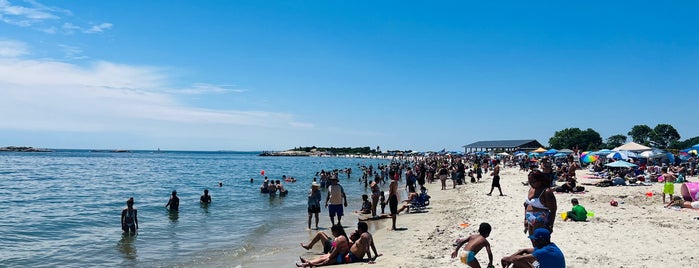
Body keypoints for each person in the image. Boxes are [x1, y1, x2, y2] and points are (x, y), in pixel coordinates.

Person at [501, 228, 565, 268]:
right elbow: (525, 250)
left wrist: (508, 259)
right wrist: (510, 258)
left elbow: (517, 259)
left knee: (519, 262)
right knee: (522, 258)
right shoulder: (550, 246)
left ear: (542, 240)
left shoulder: (545, 251)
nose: (533, 241)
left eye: (535, 239)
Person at [523, 170, 557, 236]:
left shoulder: (546, 192)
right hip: (530, 218)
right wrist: (525, 219)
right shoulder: (532, 189)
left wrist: (550, 225)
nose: (531, 183)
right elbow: (526, 204)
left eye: (533, 181)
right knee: (533, 240)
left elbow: (553, 210)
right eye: (529, 181)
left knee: (540, 242)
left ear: (540, 180)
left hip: (541, 220)